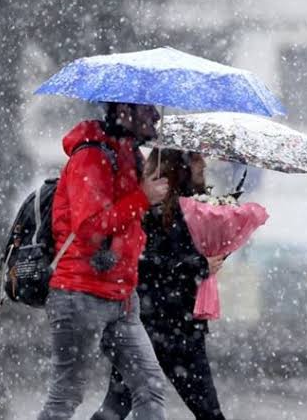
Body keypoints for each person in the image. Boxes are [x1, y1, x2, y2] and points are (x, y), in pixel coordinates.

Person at [38, 102, 169, 420]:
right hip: (80, 293)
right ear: (124, 110)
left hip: (122, 297)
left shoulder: (128, 156)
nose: (156, 115)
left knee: (150, 388)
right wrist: (142, 198)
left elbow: (128, 224)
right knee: (66, 395)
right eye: (147, 109)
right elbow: (89, 228)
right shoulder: (92, 156)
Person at [92, 148, 227, 420]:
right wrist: (198, 265)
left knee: (116, 407)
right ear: (180, 166)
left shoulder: (197, 209)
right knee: (117, 406)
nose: (204, 163)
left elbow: (178, 261)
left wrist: (216, 252)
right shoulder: (148, 210)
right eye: (197, 158)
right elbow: (144, 263)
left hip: (169, 324)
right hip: (159, 326)